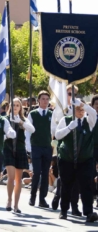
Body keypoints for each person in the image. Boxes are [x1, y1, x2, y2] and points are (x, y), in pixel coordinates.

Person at [55, 98, 98, 222]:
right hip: (67, 158)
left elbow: (94, 113)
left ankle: (89, 213)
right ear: (73, 110)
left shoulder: (89, 121)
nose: (80, 111)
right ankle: (63, 210)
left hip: (85, 159)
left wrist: (82, 104)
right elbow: (57, 135)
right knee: (66, 185)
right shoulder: (66, 120)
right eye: (78, 109)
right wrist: (69, 127)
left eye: (82, 109)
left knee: (86, 186)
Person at [51, 85, 81, 214]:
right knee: (64, 178)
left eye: (74, 94)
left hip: (77, 149)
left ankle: (74, 206)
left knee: (75, 179)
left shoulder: (79, 110)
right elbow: (53, 130)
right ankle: (59, 195)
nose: (72, 97)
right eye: (69, 94)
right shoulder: (59, 110)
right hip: (62, 147)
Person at [4, 98, 35, 213]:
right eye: (14, 105)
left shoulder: (23, 119)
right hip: (8, 149)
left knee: (18, 179)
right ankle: (9, 200)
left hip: (20, 149)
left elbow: (32, 129)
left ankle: (16, 205)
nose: (16, 107)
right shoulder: (5, 119)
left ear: (21, 107)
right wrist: (8, 135)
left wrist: (20, 122)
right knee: (11, 177)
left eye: (18, 105)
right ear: (10, 107)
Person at [26, 90, 52, 208]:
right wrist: (28, 146)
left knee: (46, 173)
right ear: (38, 100)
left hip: (47, 147)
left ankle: (42, 199)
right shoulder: (33, 114)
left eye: (47, 99)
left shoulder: (52, 114)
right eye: (43, 99)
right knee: (36, 173)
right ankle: (32, 197)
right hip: (36, 147)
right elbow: (28, 131)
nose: (45, 101)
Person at [91, 94, 98, 207]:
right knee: (91, 174)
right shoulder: (89, 118)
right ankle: (91, 196)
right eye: (97, 104)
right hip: (90, 149)